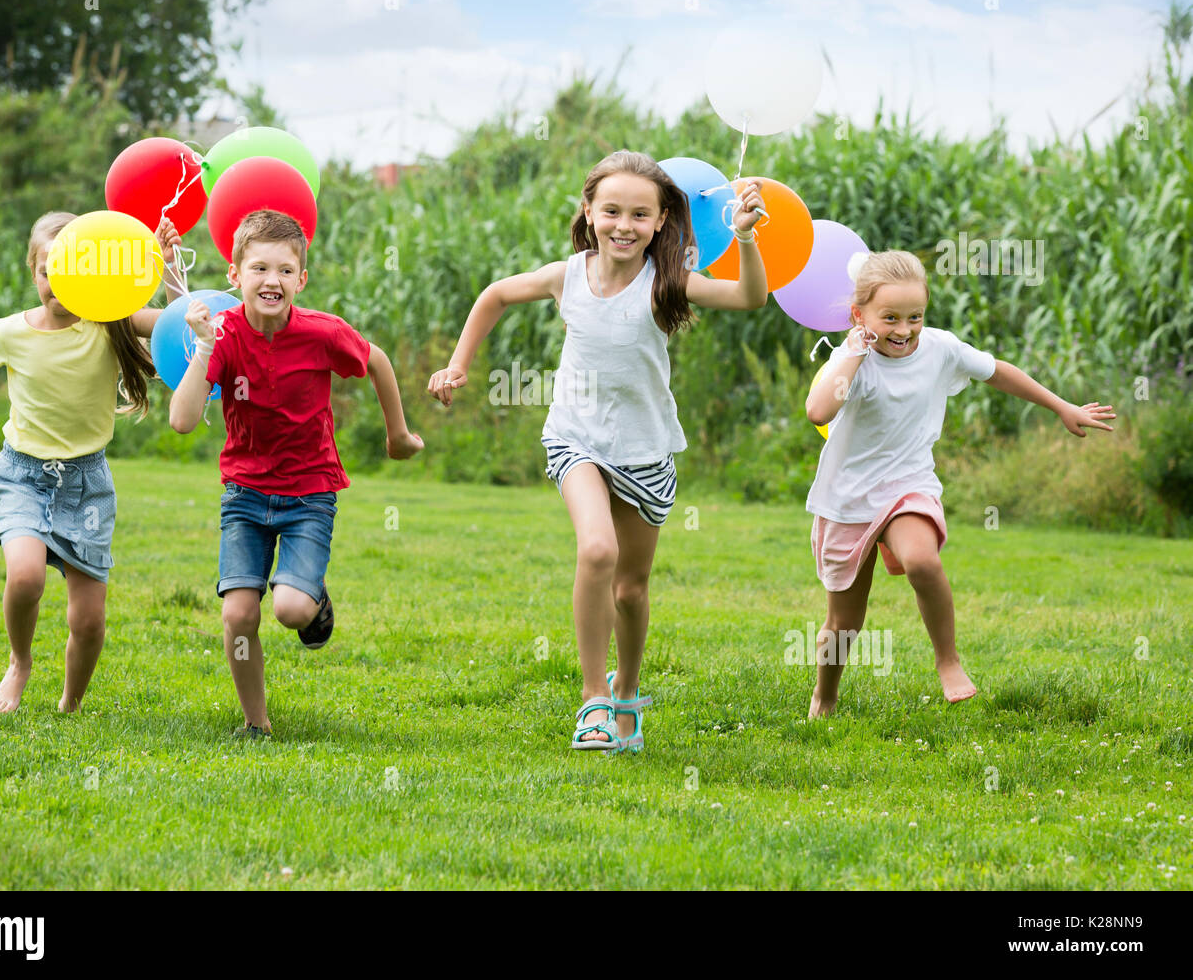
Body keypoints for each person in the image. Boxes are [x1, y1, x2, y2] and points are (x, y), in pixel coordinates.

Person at [428, 150, 768, 752]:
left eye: (641, 214)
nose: (624, 225)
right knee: (597, 549)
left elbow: (748, 299)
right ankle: (593, 701)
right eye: (611, 210)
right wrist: (457, 367)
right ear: (589, 211)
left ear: (663, 221)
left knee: (631, 589)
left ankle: (627, 690)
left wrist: (744, 239)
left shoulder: (668, 281)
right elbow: (495, 296)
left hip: (645, 450)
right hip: (576, 437)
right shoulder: (567, 274)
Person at [804, 250, 1116, 717]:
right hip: (847, 497)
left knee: (922, 561)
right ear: (859, 315)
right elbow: (819, 411)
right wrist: (852, 352)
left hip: (908, 484)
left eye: (915, 316)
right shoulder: (854, 361)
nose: (905, 330)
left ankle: (947, 661)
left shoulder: (940, 348)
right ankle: (824, 697)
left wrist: (1062, 407)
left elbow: (997, 371)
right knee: (844, 622)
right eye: (889, 318)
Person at [0, 211, 181, 713]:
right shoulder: (12, 331)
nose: (56, 281)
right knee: (26, 576)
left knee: (90, 621)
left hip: (87, 484)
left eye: (70, 269)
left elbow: (179, 326)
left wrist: (167, 267)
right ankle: (20, 662)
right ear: (33, 271)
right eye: (47, 270)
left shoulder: (109, 320)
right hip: (24, 475)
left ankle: (70, 703)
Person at [168, 209, 423, 738]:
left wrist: (397, 435)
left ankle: (312, 599)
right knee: (239, 615)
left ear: (301, 280)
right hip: (244, 494)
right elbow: (182, 420)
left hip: (309, 493)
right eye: (259, 269)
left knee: (288, 608)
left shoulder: (322, 333)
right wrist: (207, 345)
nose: (272, 281)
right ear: (234, 275)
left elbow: (376, 361)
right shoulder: (225, 334)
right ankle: (255, 725)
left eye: (285, 271)